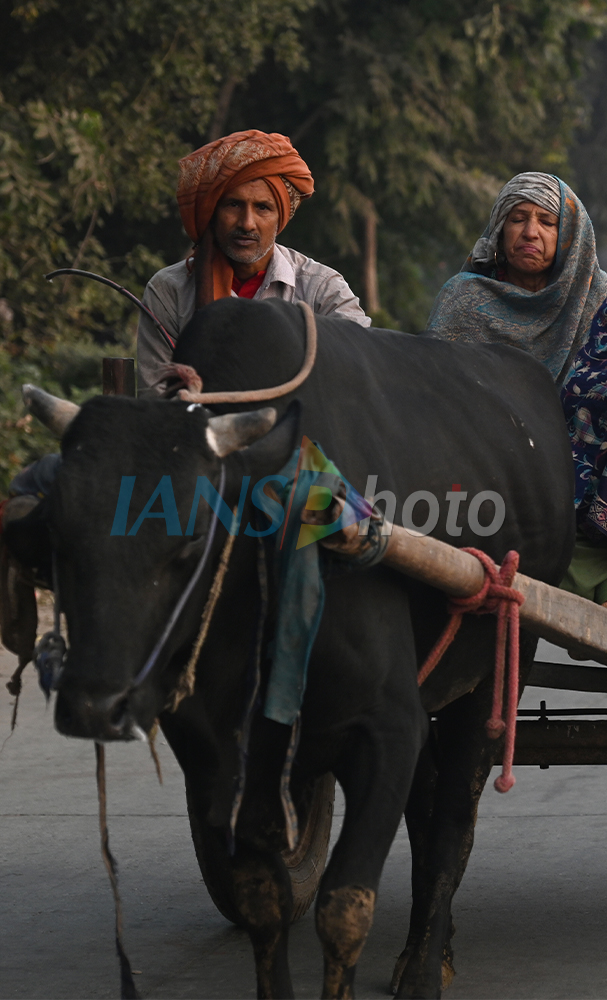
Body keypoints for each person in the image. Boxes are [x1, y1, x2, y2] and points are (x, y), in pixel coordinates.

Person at [426, 170, 607, 607]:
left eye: (547, 221)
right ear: (498, 228)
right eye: (518, 218)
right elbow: (429, 398)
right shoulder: (462, 301)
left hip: (577, 483)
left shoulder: (597, 302)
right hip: (476, 479)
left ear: (569, 236)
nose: (531, 232)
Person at [137, 129, 370, 395]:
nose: (247, 223)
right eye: (233, 205)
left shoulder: (321, 288)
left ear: (280, 217)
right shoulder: (169, 290)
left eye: (263, 208)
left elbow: (363, 366)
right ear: (212, 212)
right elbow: (155, 394)